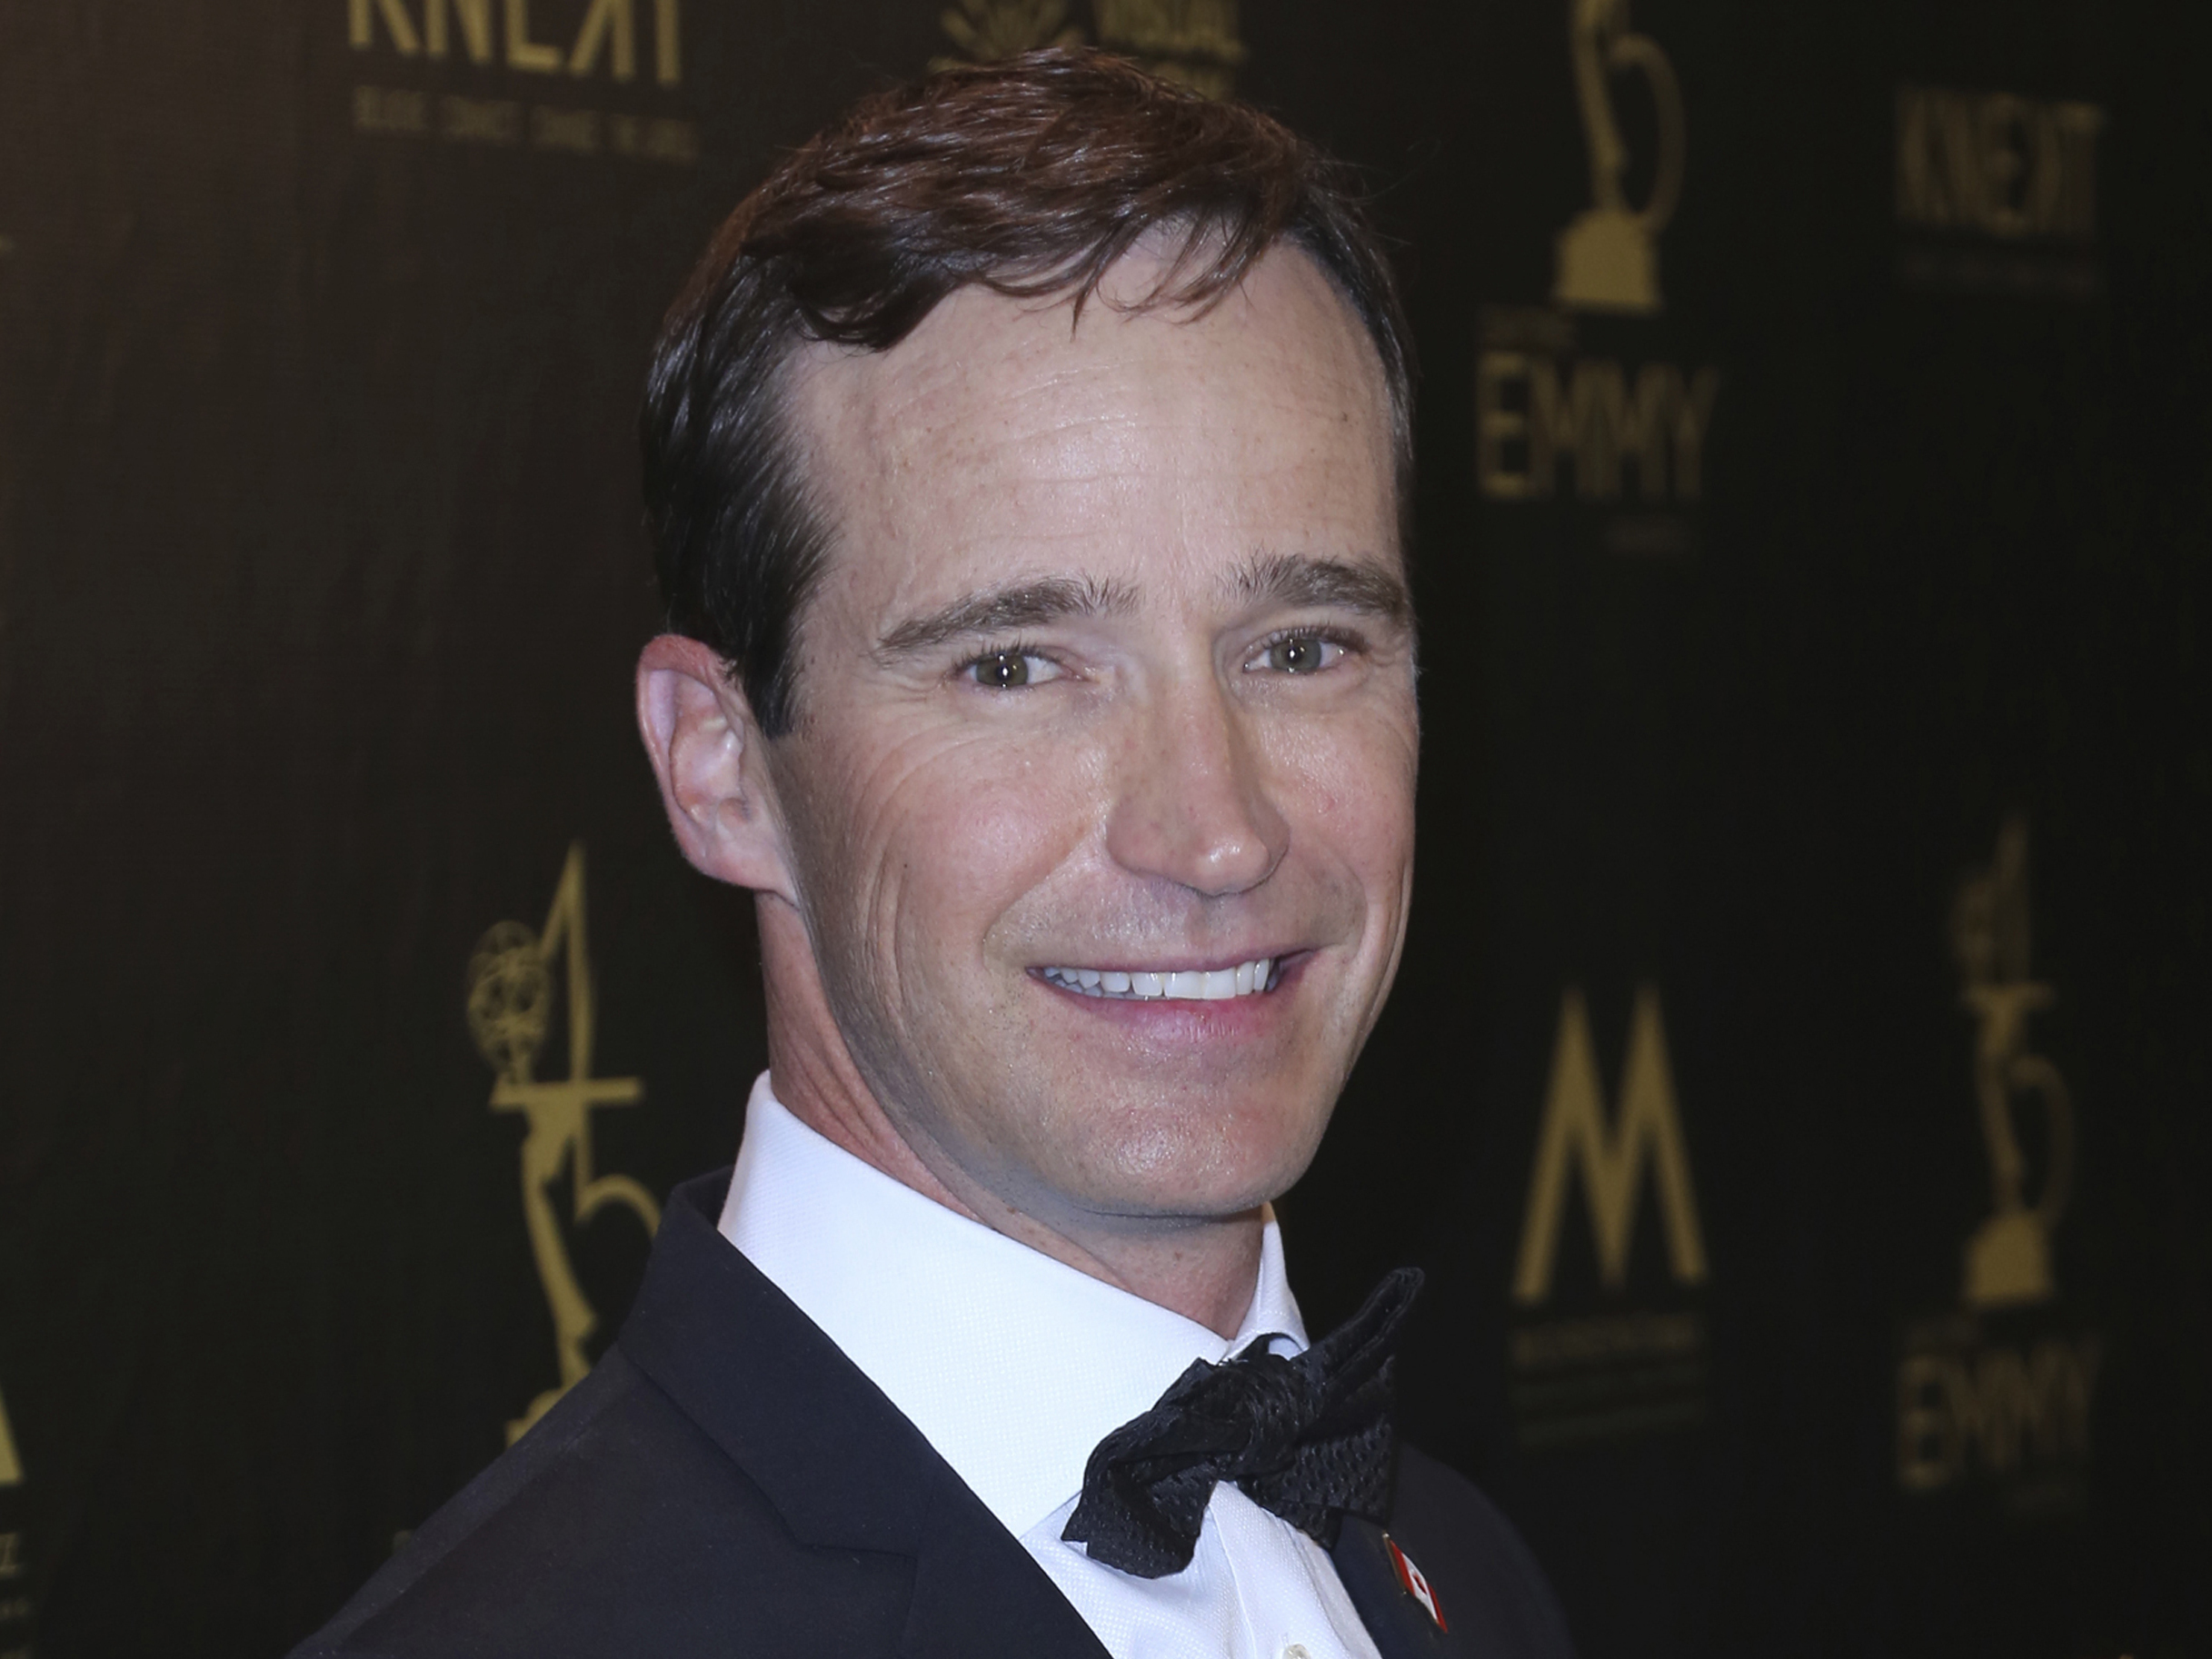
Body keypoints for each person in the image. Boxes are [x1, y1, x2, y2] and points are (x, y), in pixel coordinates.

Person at [294, 48, 1574, 1659]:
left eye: (1303, 647)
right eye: (1017, 666)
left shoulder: (1466, 1579)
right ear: (719, 767)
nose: (1217, 828)